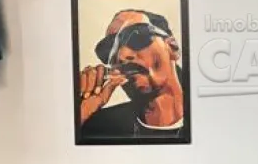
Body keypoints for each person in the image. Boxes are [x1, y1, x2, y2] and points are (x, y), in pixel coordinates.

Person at [78, 9, 187, 141]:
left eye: (137, 38)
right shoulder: (101, 127)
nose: (122, 56)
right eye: (110, 51)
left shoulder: (206, 116)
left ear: (173, 47)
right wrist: (82, 113)